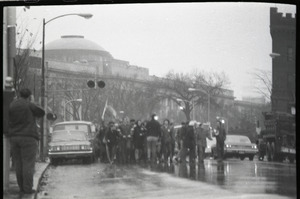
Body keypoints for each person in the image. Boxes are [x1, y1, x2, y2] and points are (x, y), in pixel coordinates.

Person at [8, 88, 45, 194]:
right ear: (29, 96)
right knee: (28, 164)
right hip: (28, 138)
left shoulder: (12, 104)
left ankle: (21, 188)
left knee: (18, 164)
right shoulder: (29, 104)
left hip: (14, 138)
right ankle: (27, 189)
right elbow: (41, 112)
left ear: (19, 94)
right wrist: (32, 102)